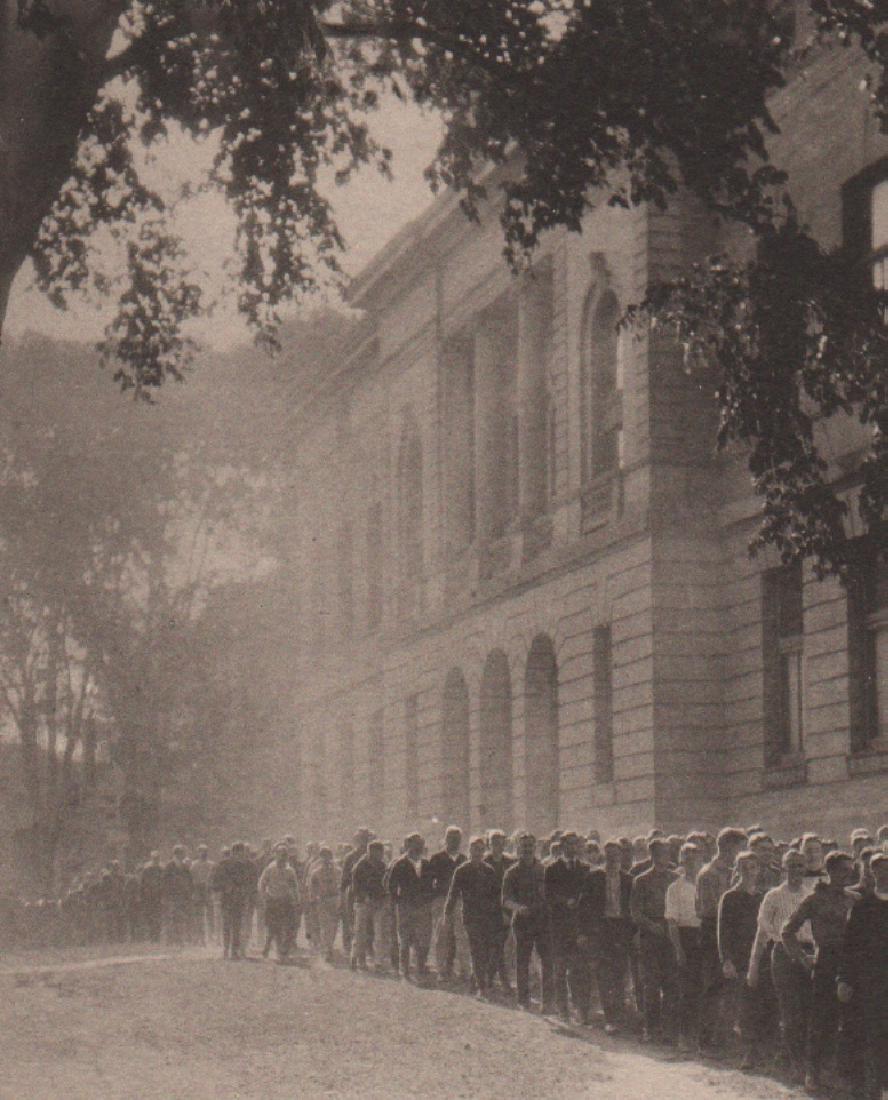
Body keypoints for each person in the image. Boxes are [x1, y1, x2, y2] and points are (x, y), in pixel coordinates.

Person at [782, 849, 856, 1094]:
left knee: (846, 1021)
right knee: (820, 1020)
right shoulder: (815, 899)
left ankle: (836, 1071)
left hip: (850, 963)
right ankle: (812, 1073)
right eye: (843, 870)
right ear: (830, 871)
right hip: (825, 962)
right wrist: (804, 959)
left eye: (850, 870)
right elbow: (787, 931)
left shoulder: (853, 899)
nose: (848, 874)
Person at [748, 848, 814, 1083]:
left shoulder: (811, 894)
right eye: (791, 865)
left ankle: (809, 1065)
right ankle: (796, 1063)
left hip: (809, 955)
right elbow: (762, 929)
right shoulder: (773, 896)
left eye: (800, 865)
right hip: (784, 954)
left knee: (809, 1010)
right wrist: (753, 965)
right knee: (790, 1010)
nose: (796, 870)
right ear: (783, 868)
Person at [837, 850, 888, 1100]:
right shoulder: (863, 906)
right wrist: (844, 978)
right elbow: (850, 944)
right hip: (868, 983)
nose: (884, 873)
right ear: (872, 872)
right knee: (867, 1034)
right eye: (879, 868)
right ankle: (869, 1088)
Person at [718, 851, 773, 1071]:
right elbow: (723, 932)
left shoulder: (762, 897)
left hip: (761, 954)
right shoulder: (730, 897)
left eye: (753, 867)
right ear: (737, 870)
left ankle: (764, 1049)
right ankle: (748, 1052)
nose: (750, 872)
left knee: (764, 1002)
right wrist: (726, 959)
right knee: (746, 1004)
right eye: (745, 868)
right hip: (740, 957)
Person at [695, 826, 747, 1053]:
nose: (742, 852)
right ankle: (706, 1041)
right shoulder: (709, 873)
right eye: (740, 847)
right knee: (713, 988)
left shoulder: (733, 872)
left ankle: (724, 1038)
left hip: (733, 935)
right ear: (726, 847)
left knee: (732, 989)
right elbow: (708, 910)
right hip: (713, 934)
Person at [580, 837, 633, 1033]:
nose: (612, 859)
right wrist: (583, 932)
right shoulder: (594, 877)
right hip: (601, 930)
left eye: (616, 855)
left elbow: (631, 909)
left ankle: (619, 1016)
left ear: (620, 856)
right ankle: (610, 1017)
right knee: (603, 974)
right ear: (605, 856)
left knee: (620, 973)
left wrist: (631, 933)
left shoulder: (628, 879)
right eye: (609, 856)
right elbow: (583, 907)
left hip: (621, 929)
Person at [630, 836, 678, 1043]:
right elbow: (636, 912)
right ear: (652, 855)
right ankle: (651, 1028)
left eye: (667, 853)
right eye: (659, 853)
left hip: (671, 934)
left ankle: (669, 1028)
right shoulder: (641, 880)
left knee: (671, 983)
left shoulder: (675, 879)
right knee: (651, 984)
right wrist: (652, 926)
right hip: (650, 937)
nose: (664, 858)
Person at [445, 836, 502, 999]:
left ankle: (474, 980)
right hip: (471, 917)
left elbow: (496, 895)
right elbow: (453, 894)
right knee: (477, 950)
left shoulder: (489, 870)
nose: (478, 853)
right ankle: (482, 988)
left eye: (481, 850)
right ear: (469, 850)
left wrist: (498, 915)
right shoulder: (462, 870)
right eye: (475, 849)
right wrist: (447, 914)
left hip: (488, 917)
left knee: (487, 951)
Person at [502, 832, 553, 1013]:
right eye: (524, 847)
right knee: (522, 960)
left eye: (531, 846)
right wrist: (518, 907)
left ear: (536, 847)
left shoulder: (545, 870)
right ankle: (523, 1000)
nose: (528, 849)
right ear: (518, 849)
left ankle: (547, 1001)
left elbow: (551, 895)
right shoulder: (512, 872)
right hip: (523, 922)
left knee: (547, 961)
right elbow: (505, 899)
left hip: (542, 921)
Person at [545, 831, 591, 1025]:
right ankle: (562, 1010)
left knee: (579, 970)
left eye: (576, 844)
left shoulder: (586, 869)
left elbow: (589, 898)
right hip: (559, 927)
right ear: (562, 846)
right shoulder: (552, 869)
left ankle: (580, 1010)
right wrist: (565, 902)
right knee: (560, 970)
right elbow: (548, 896)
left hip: (579, 927)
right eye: (569, 844)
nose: (573, 848)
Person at [666, 842, 704, 1052]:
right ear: (682, 861)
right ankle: (683, 1035)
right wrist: (679, 949)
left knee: (704, 988)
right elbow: (672, 922)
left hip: (704, 936)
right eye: (687, 859)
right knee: (686, 990)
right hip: (686, 937)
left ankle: (701, 1036)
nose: (692, 863)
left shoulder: (706, 883)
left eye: (696, 859)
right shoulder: (675, 888)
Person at [386, 832, 435, 980]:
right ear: (408, 845)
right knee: (405, 938)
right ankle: (405, 969)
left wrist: (428, 899)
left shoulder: (427, 864)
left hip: (423, 907)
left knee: (423, 937)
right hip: (406, 906)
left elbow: (433, 884)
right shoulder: (399, 864)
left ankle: (420, 966)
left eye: (420, 844)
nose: (418, 847)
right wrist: (398, 902)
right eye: (415, 844)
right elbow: (391, 886)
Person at [427, 826, 467, 982]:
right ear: (445, 839)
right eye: (451, 838)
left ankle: (465, 970)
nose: (454, 841)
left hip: (459, 901)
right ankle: (442, 970)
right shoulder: (437, 858)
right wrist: (435, 899)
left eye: (457, 838)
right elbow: (429, 881)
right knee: (442, 936)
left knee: (462, 936)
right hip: (442, 900)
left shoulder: (464, 859)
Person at [351, 840, 391, 971]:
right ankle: (357, 959)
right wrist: (364, 897)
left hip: (378, 902)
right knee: (360, 932)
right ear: (372, 852)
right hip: (363, 903)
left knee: (380, 933)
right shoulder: (360, 866)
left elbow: (386, 884)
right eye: (379, 852)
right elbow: (355, 887)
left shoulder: (383, 865)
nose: (381, 854)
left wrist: (385, 898)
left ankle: (379, 961)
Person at [484, 829, 516, 993]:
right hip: (489, 912)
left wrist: (508, 910)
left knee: (499, 947)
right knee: (496, 946)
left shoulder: (509, 862)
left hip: (507, 911)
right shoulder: (484, 862)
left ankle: (487, 978)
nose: (498, 846)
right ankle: (502, 981)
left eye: (501, 843)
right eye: (494, 843)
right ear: (489, 844)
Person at [212, 842, 256, 960]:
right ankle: (226, 949)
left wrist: (243, 891)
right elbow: (215, 883)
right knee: (226, 925)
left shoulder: (244, 866)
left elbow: (249, 883)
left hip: (239, 899)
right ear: (233, 853)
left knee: (237, 926)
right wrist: (225, 887)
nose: (241, 856)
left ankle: (234, 951)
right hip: (226, 899)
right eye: (239, 853)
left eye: (242, 854)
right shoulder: (222, 865)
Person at [258, 843, 300, 961]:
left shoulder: (290, 871)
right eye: (280, 855)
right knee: (273, 927)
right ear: (276, 855)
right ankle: (268, 946)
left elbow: (294, 886)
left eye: (285, 855)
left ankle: (283, 950)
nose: (282, 858)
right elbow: (262, 883)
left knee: (289, 926)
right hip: (273, 900)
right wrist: (264, 896)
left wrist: (297, 900)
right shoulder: (270, 869)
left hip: (286, 900)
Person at [340, 828, 371, 963]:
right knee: (353, 924)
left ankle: (366, 951)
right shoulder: (350, 857)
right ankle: (356, 953)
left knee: (368, 926)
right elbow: (344, 880)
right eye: (360, 839)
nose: (363, 842)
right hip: (353, 894)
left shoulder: (374, 856)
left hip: (370, 895)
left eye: (365, 839)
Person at [309, 846, 341, 961]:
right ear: (321, 858)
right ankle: (327, 950)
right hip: (322, 900)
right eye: (324, 857)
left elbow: (341, 885)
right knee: (324, 925)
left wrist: (340, 900)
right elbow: (312, 887)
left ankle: (329, 946)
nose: (326, 860)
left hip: (334, 899)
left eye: (328, 857)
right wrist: (313, 899)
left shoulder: (337, 871)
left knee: (333, 926)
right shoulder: (316, 872)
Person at [163, 846, 193, 946]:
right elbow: (165, 881)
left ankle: (179, 939)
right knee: (172, 917)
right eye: (181, 853)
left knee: (180, 918)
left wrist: (189, 893)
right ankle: (171, 939)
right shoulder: (169, 866)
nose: (183, 855)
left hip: (182, 896)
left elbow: (189, 880)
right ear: (176, 854)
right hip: (172, 896)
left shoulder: (184, 866)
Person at [191, 844, 216, 945]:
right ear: (198, 852)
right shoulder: (194, 865)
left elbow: (214, 877)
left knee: (210, 915)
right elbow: (191, 878)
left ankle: (211, 937)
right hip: (198, 890)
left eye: (205, 851)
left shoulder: (211, 864)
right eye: (201, 851)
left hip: (208, 891)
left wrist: (210, 886)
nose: (203, 853)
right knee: (198, 916)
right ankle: (200, 938)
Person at [140, 852, 164, 942]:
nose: (156, 860)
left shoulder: (161, 869)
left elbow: (164, 883)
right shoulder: (147, 869)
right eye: (154, 858)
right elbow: (142, 884)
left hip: (158, 896)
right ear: (151, 859)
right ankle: (152, 936)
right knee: (150, 916)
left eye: (157, 858)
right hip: (149, 896)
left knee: (158, 916)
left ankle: (157, 936)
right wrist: (142, 895)